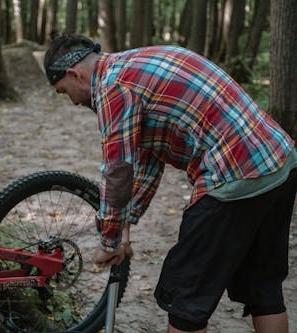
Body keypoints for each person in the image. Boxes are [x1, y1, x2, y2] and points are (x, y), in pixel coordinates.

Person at [43, 33, 297, 333]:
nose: (72, 101)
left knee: (185, 299)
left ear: (74, 74)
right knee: (262, 288)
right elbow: (149, 157)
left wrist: (109, 241)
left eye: (63, 91)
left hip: (235, 174)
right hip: (280, 161)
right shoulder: (136, 63)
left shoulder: (113, 88)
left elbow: (118, 170)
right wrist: (126, 222)